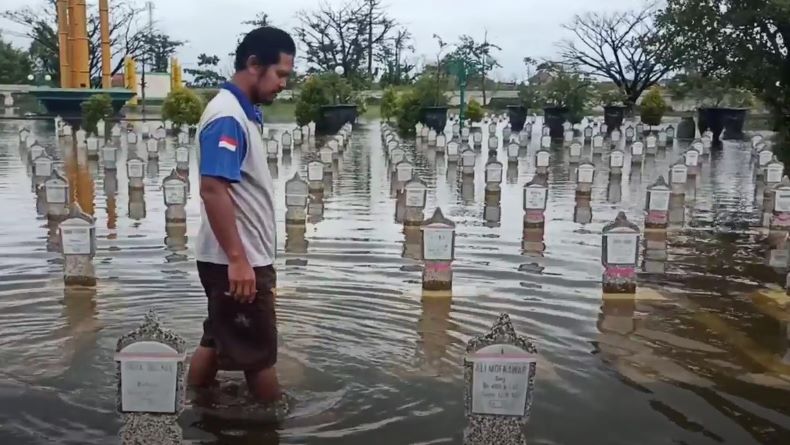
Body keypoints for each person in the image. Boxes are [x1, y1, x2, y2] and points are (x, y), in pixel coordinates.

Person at [187, 26, 295, 402]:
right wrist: (238, 260)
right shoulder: (227, 116)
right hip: (238, 260)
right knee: (259, 357)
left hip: (235, 258)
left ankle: (191, 403)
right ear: (253, 64)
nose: (283, 84)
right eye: (280, 74)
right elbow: (213, 188)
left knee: (216, 339)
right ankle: (271, 427)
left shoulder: (241, 113)